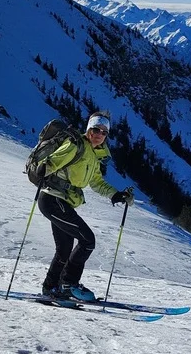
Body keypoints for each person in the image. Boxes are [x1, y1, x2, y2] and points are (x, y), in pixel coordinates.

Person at [36, 112, 133, 301]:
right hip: (52, 199)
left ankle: (51, 287)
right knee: (87, 240)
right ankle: (68, 284)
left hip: (61, 201)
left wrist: (116, 194)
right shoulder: (75, 145)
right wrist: (44, 167)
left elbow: (96, 183)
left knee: (64, 249)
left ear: (106, 136)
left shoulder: (94, 155)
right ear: (89, 129)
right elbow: (55, 159)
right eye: (95, 129)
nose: (99, 134)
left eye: (104, 132)